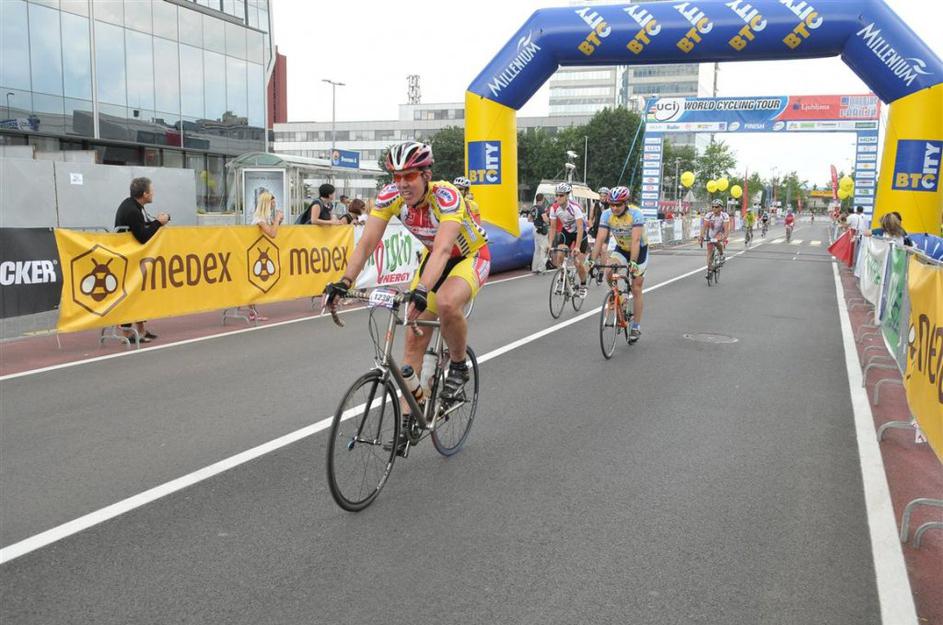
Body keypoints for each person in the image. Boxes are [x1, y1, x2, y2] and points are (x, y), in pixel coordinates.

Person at [324, 141, 489, 408]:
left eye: (409, 176)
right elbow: (366, 244)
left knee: (446, 302)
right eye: (397, 177)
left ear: (426, 175)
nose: (402, 184)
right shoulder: (390, 197)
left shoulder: (447, 197)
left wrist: (422, 290)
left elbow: (444, 249)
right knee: (412, 345)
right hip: (432, 259)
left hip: (469, 257)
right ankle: (409, 416)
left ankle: (459, 366)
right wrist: (344, 281)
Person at [589, 186, 647, 342]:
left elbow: (636, 240)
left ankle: (636, 327)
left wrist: (633, 262)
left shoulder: (636, 214)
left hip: (639, 250)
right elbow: (600, 238)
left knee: (636, 287)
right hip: (621, 248)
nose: (614, 208)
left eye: (618, 204)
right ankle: (619, 298)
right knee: (608, 270)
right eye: (612, 204)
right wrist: (591, 260)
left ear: (626, 203)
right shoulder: (607, 214)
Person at [114, 177, 169, 343]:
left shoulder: (134, 205)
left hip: (133, 257)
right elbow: (143, 236)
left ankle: (141, 330)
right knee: (131, 294)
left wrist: (156, 222)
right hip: (128, 258)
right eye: (152, 191)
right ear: (145, 194)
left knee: (139, 293)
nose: (153, 193)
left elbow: (141, 226)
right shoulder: (132, 210)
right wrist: (158, 223)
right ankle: (126, 334)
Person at [246, 191, 284, 322]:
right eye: (272, 203)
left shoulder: (264, 218)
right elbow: (272, 234)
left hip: (260, 252)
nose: (274, 205)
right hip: (254, 253)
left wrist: (278, 221)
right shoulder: (260, 219)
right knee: (252, 282)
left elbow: (273, 230)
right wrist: (277, 219)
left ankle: (252, 310)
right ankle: (252, 311)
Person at [548, 182, 589, 296]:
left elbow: (580, 227)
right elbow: (553, 227)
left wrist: (577, 247)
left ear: (567, 196)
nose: (558, 198)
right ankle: (562, 277)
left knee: (578, 263)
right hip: (567, 232)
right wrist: (549, 244)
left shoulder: (575, 207)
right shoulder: (554, 208)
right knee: (560, 255)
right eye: (556, 195)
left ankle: (583, 284)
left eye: (561, 195)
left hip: (580, 233)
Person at [700, 199, 730, 277]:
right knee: (709, 253)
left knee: (716, 240)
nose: (714, 208)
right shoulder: (709, 215)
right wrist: (701, 237)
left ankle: (721, 254)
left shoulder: (724, 215)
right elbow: (704, 227)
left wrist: (725, 238)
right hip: (711, 233)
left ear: (721, 208)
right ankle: (709, 270)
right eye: (713, 207)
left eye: (716, 207)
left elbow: (726, 229)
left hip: (720, 232)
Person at [529, 193, 550, 273]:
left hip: (535, 229)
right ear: (543, 199)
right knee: (544, 249)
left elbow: (529, 219)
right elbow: (545, 219)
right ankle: (541, 268)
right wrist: (548, 221)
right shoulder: (541, 208)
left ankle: (534, 267)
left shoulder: (533, 208)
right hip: (541, 230)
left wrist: (536, 221)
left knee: (537, 249)